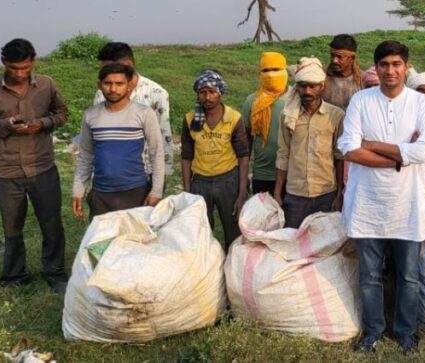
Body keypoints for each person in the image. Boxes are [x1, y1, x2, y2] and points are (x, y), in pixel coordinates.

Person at [338, 40, 425, 354]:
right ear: (375, 68)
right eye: (384, 65)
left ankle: (406, 333)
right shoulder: (360, 101)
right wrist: (399, 157)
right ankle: (374, 332)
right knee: (369, 276)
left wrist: (374, 144)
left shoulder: (421, 104)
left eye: (397, 64)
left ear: (407, 67)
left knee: (409, 276)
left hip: (407, 204)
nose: (390, 71)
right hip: (367, 203)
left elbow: (422, 152)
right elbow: (349, 149)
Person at [0, 38, 69, 291]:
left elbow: (62, 114)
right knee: (12, 227)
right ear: (4, 63)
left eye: (25, 68)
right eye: (14, 68)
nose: (19, 73)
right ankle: (14, 276)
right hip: (7, 171)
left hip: (42, 168)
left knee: (51, 223)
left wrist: (43, 123)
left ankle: (55, 273)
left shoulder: (46, 85)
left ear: (33, 61)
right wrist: (5, 125)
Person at [72, 63, 165, 220]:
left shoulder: (144, 113)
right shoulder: (90, 115)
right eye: (108, 83)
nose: (113, 89)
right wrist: (78, 190)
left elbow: (157, 153)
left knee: (135, 241)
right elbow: (85, 156)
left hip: (136, 191)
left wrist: (156, 191)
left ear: (129, 86)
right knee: (102, 242)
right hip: (101, 194)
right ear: (99, 85)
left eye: (119, 84)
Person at [275, 57, 345, 228]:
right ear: (297, 87)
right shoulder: (289, 116)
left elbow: (340, 156)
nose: (307, 91)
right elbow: (283, 153)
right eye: (303, 86)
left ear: (322, 87)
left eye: (312, 86)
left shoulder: (335, 115)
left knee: (325, 246)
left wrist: (339, 195)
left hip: (326, 193)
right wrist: (277, 192)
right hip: (295, 194)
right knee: (294, 244)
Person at [181, 70, 248, 248]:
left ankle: (233, 266)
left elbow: (243, 156)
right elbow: (186, 157)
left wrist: (241, 193)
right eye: (202, 92)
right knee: (201, 230)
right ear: (197, 95)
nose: (207, 97)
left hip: (228, 181)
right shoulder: (190, 119)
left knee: (233, 230)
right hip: (200, 182)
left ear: (220, 93)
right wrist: (188, 193)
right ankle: (208, 269)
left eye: (212, 92)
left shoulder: (233, 118)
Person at [93, 42, 173, 179]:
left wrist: (162, 179)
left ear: (128, 65)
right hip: (109, 172)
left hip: (144, 174)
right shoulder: (101, 94)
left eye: (109, 68)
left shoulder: (156, 94)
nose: (104, 74)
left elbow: (164, 136)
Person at [241, 51, 289, 195]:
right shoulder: (252, 101)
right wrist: (243, 176)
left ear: (285, 70)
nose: (270, 75)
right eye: (266, 70)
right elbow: (246, 140)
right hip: (262, 174)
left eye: (276, 70)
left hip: (292, 174)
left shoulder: (296, 99)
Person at [321, 34, 361, 109]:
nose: (334, 60)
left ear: (352, 58)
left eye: (339, 57)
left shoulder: (362, 81)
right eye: (332, 56)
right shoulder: (321, 79)